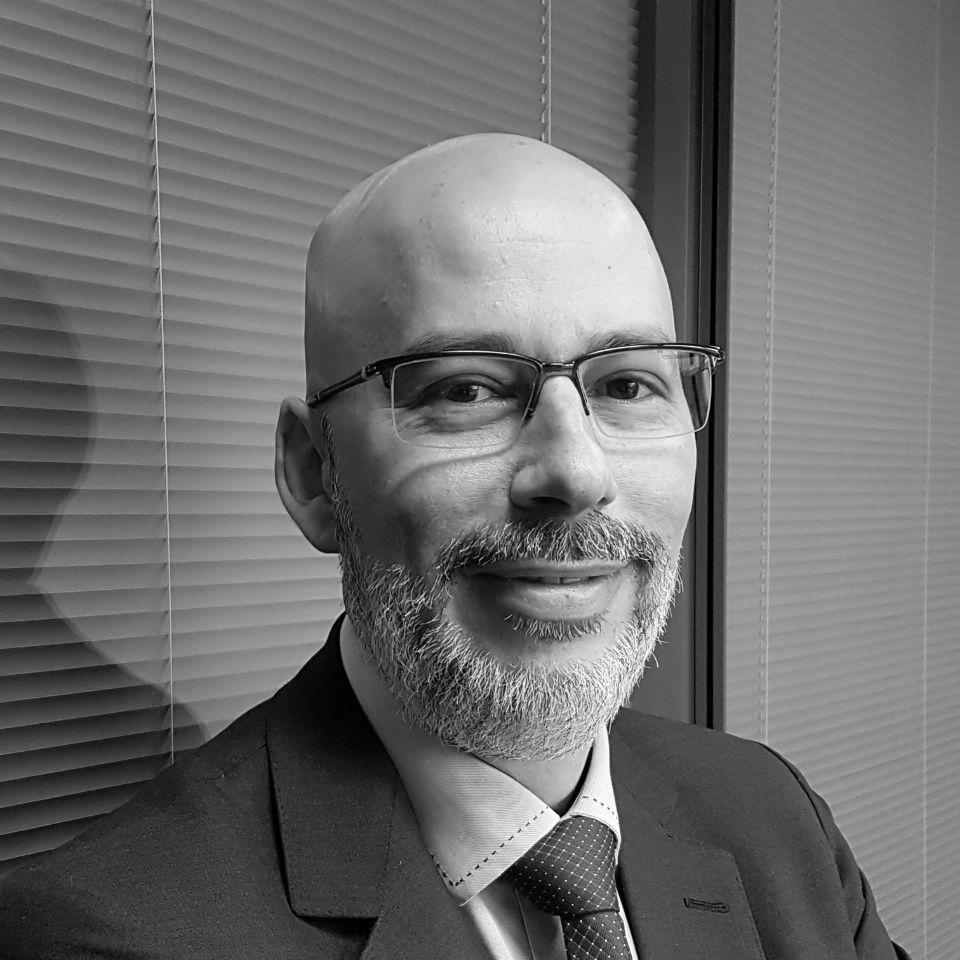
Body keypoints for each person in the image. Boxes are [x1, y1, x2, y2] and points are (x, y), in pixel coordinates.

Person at [0, 134, 908, 960]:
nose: (576, 472)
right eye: (466, 390)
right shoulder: (104, 935)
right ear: (315, 474)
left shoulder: (774, 818)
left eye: (629, 385)